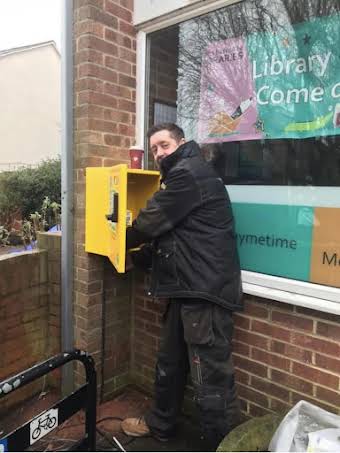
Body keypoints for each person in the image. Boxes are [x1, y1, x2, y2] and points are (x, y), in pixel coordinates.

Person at [121, 123, 243, 451]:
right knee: (170, 361)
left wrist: (117, 239)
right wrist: (141, 259)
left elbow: (150, 223)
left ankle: (221, 445)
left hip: (205, 291)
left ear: (182, 143)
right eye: (154, 149)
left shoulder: (189, 173)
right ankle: (161, 425)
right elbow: (172, 236)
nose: (159, 153)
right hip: (185, 288)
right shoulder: (185, 176)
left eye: (164, 145)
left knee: (210, 377)